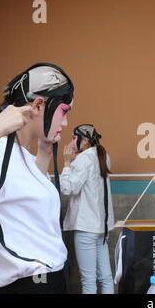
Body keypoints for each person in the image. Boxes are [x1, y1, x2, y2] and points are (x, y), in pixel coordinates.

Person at [0, 63, 74, 293]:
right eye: (64, 111)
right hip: (27, 286)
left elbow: (29, 218)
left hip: (51, 281)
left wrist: (44, 152)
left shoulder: (23, 156)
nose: (65, 122)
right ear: (38, 104)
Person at [60, 124, 115, 294]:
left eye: (74, 138)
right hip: (101, 228)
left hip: (86, 228)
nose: (71, 142)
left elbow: (68, 188)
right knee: (106, 277)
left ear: (84, 140)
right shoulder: (103, 157)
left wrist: (67, 163)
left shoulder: (83, 159)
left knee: (88, 280)